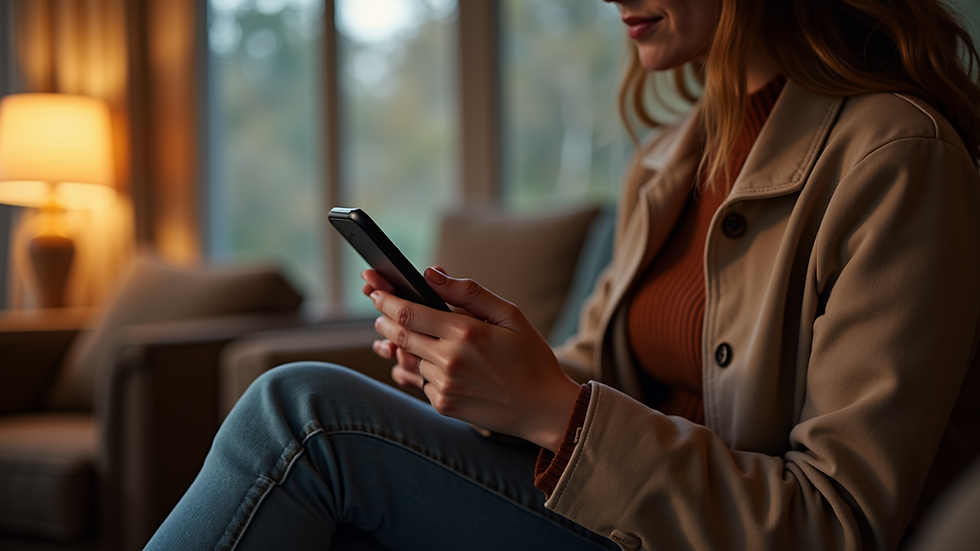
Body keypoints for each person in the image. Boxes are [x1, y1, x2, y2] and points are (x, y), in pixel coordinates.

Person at [144, 0, 980, 549]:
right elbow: (595, 378)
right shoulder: (668, 160)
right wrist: (488, 368)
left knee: (305, 418)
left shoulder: (896, 158)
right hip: (615, 515)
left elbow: (838, 523)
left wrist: (556, 410)